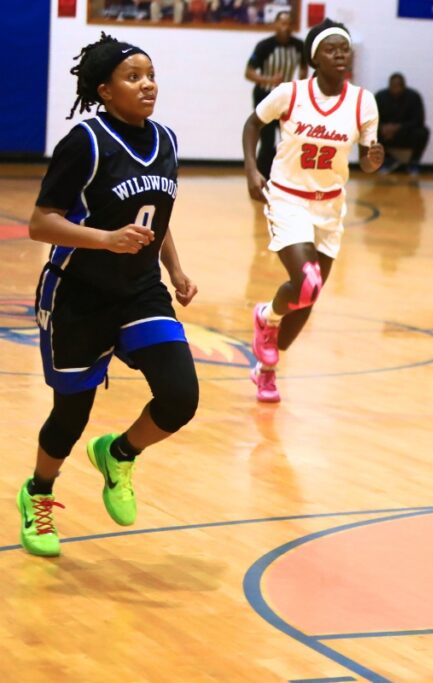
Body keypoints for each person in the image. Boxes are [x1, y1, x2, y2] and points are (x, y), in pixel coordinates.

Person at [17, 33, 200, 557]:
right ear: (105, 90)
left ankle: (119, 453)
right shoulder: (86, 142)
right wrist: (106, 240)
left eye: (150, 75)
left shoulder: (165, 140)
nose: (147, 86)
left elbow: (155, 216)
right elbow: (40, 223)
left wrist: (177, 269)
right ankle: (39, 493)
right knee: (69, 417)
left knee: (180, 396)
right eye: (133, 77)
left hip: (140, 291)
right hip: (79, 293)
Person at [243, 20, 384, 402]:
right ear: (315, 58)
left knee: (308, 298)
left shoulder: (362, 101)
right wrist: (252, 169)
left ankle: (266, 369)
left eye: (345, 49)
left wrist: (373, 158)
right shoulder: (290, 94)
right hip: (289, 198)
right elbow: (253, 123)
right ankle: (267, 316)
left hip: (331, 205)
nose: (341, 54)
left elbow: (369, 161)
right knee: (306, 281)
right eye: (332, 49)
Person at [245, 10, 307, 178]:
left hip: (287, 100)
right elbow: (248, 73)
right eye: (282, 23)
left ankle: (285, 176)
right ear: (275, 25)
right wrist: (270, 79)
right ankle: (261, 176)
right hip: (264, 96)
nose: (285, 27)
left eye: (288, 24)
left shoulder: (299, 46)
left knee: (289, 139)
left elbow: (304, 67)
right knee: (267, 141)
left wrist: (301, 83)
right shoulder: (264, 46)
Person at [375, 72, 430, 176]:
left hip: (405, 133)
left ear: (404, 86)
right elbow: (371, 119)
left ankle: (414, 162)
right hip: (384, 134)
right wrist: (382, 127)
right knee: (367, 132)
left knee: (423, 132)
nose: (396, 89)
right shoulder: (380, 96)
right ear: (389, 85)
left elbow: (419, 120)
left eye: (398, 86)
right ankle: (388, 160)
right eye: (393, 86)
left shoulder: (414, 97)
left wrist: (397, 128)